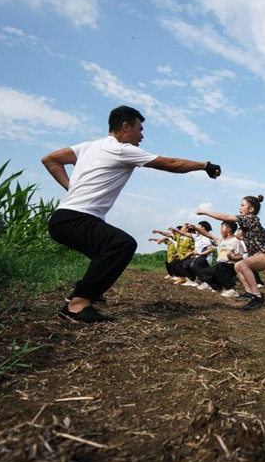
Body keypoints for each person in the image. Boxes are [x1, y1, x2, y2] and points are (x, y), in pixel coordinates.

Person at [42, 105, 220, 323]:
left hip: (65, 218)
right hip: (76, 218)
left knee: (107, 252)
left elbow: (50, 159)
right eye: (140, 128)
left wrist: (71, 189)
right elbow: (171, 164)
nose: (142, 135)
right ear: (125, 126)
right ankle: (78, 304)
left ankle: (89, 291)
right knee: (122, 245)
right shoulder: (120, 149)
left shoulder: (89, 146)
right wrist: (205, 165)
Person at [196, 195, 265, 311]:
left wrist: (205, 212)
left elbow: (225, 216)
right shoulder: (252, 223)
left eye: (242, 205)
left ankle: (257, 296)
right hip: (262, 255)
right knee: (238, 266)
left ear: (251, 209)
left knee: (241, 264)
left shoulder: (250, 218)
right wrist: (262, 245)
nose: (239, 208)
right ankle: (249, 292)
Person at [196, 220, 243, 295]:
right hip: (220, 265)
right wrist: (195, 228)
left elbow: (240, 256)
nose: (220, 230)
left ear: (229, 230)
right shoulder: (221, 240)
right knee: (204, 272)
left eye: (222, 228)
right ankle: (218, 287)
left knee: (221, 265)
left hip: (231, 266)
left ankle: (231, 289)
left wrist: (232, 258)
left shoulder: (235, 241)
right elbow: (207, 234)